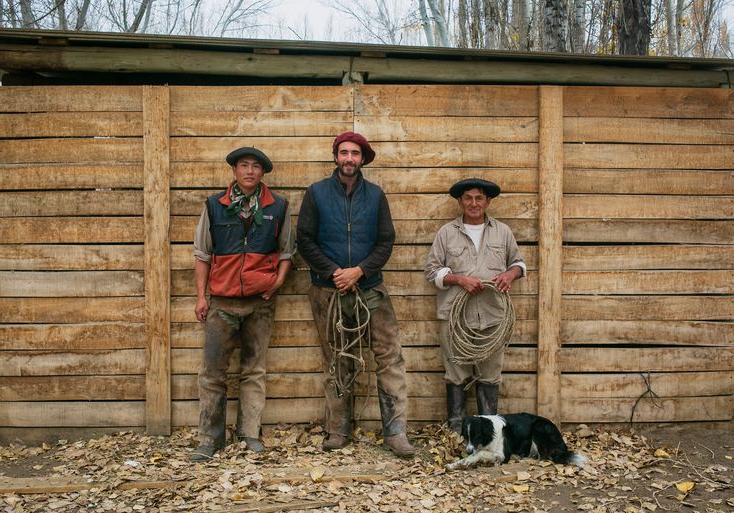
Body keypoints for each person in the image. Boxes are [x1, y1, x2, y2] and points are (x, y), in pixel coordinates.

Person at [297, 131, 416, 458]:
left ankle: (395, 432)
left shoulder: (376, 196)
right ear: (336, 156)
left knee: (389, 355)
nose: (349, 158)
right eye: (344, 153)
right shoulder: (316, 193)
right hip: (327, 289)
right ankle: (338, 430)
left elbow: (385, 241)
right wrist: (335, 272)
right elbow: (305, 240)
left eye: (355, 154)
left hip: (369, 287)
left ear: (363, 159)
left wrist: (359, 271)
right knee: (336, 359)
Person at [190, 147, 294, 461]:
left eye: (255, 167)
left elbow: (287, 250)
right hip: (221, 302)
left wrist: (277, 282)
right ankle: (209, 439)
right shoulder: (214, 205)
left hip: (259, 303)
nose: (250, 171)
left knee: (254, 370)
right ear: (235, 171)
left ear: (263, 173)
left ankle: (249, 433)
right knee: (212, 373)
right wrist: (200, 296)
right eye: (243, 166)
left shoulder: (278, 206)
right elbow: (202, 253)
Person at [424, 178, 526, 433]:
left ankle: (489, 433)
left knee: (490, 375)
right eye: (467, 198)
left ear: (487, 202)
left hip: (492, 317)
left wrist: (509, 275)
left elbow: (519, 264)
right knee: (456, 374)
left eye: (479, 198)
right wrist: (458, 279)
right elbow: (432, 271)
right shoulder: (446, 233)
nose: (473, 203)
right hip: (455, 319)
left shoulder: (503, 232)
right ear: (459, 202)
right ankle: (456, 433)